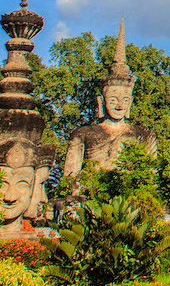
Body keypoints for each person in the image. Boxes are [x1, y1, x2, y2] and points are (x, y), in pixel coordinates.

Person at [62, 19, 158, 181]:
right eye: (113, 100)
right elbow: (69, 178)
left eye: (125, 100)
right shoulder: (84, 134)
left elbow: (151, 179)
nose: (120, 105)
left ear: (131, 102)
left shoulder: (144, 136)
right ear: (101, 101)